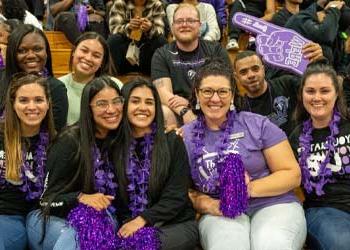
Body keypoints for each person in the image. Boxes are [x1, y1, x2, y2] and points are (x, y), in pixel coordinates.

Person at [182, 59, 306, 250]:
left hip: (273, 203)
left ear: (232, 96)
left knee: (272, 245)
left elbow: (292, 174)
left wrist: (244, 190)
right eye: (207, 91)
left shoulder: (258, 124)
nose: (215, 99)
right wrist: (205, 204)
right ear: (197, 94)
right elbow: (179, 190)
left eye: (223, 91)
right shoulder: (184, 136)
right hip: (220, 210)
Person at [26, 76, 124, 250]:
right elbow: (45, 200)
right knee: (80, 233)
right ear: (88, 108)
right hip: (49, 217)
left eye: (117, 101)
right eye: (101, 104)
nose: (111, 109)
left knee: (97, 227)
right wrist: (80, 198)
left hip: (100, 217)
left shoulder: (120, 140)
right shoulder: (70, 141)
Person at [112, 78, 198, 249]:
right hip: (129, 224)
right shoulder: (114, 146)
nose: (143, 108)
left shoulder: (172, 141)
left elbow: (176, 197)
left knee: (139, 244)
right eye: (135, 101)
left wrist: (142, 220)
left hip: (174, 224)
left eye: (149, 102)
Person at [289, 62, 350, 250]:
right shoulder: (295, 137)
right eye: (310, 91)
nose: (317, 97)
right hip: (324, 210)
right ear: (302, 95)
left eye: (324, 91)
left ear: (336, 94)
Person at [0, 73, 55, 250]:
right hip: (5, 216)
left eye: (38, 100)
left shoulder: (60, 141)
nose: (32, 107)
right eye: (23, 100)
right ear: (13, 104)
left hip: (42, 216)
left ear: (48, 104)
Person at [151, 3, 230, 126]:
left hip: (210, 104)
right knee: (164, 111)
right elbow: (162, 92)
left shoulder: (215, 50)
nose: (184, 25)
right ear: (172, 27)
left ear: (200, 25)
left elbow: (222, 88)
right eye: (179, 21)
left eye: (190, 21)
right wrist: (185, 111)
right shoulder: (162, 54)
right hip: (179, 112)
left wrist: (190, 104)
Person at [233, 48, 323, 135]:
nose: (251, 75)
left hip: (301, 144)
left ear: (263, 70)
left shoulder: (287, 83)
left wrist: (320, 62)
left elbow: (319, 88)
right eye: (243, 72)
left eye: (255, 69)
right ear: (237, 77)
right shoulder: (240, 109)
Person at [0, 24, 68, 131]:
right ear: (12, 53)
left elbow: (56, 134)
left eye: (37, 49)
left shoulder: (56, 88)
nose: (31, 55)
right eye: (22, 51)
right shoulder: (1, 79)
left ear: (46, 53)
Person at [59, 32, 123, 125]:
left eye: (96, 56)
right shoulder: (59, 85)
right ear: (73, 52)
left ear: (102, 62)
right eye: (84, 51)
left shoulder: (115, 85)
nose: (88, 58)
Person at [108, 0, 167, 75]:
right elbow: (114, 29)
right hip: (126, 47)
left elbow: (160, 30)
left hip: (146, 47)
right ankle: (112, 77)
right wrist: (129, 27)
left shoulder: (156, 4)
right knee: (114, 40)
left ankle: (159, 77)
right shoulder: (120, 4)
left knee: (161, 41)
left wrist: (150, 28)